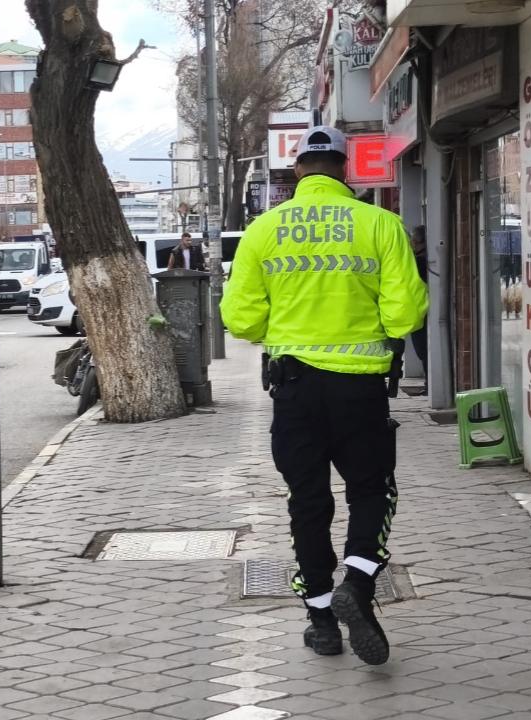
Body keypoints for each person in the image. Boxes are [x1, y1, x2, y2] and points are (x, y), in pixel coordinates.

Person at [221, 126, 428, 666]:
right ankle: (357, 584)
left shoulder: (264, 230)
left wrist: (283, 329)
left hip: (294, 389)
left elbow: (240, 318)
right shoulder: (381, 224)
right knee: (372, 490)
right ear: (345, 168)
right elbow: (406, 312)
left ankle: (320, 623)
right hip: (361, 389)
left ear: (297, 172)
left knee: (307, 502)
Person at [410, 226, 428, 393]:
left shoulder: (418, 261)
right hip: (423, 311)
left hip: (420, 312)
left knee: (423, 350)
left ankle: (429, 383)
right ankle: (429, 383)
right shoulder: (425, 260)